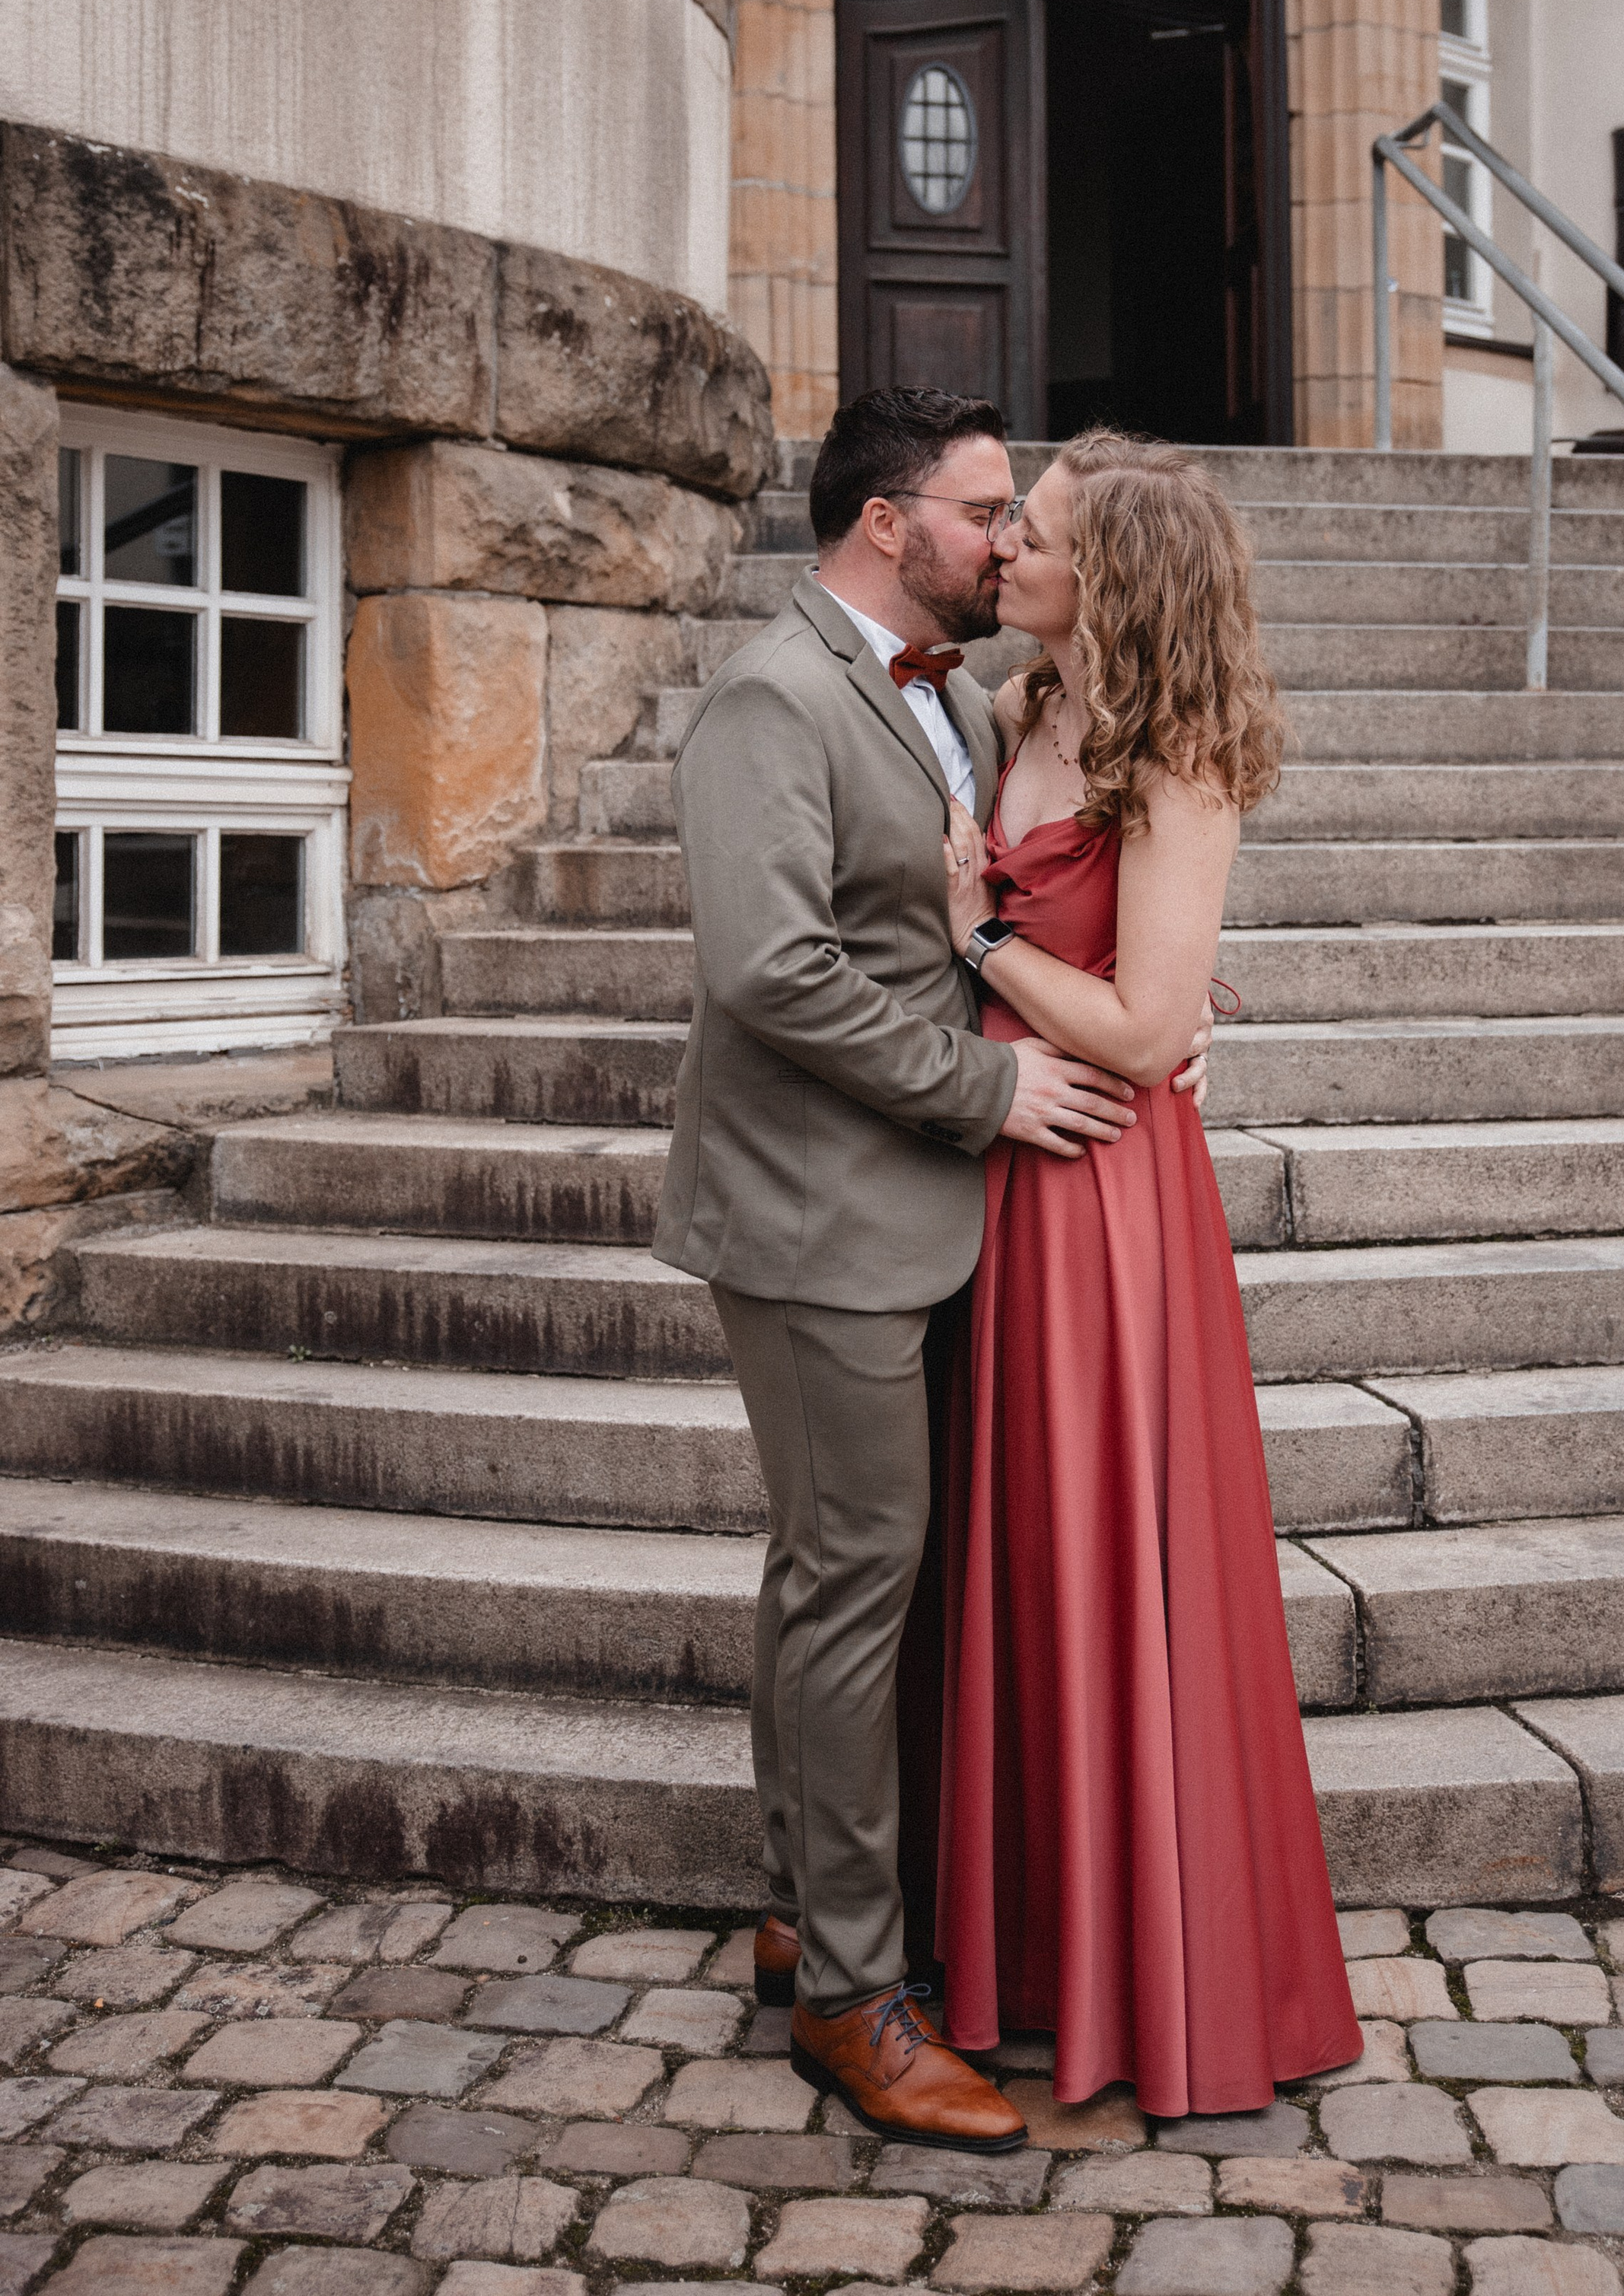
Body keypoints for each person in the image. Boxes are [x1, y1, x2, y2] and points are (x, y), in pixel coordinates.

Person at [658, 388, 1210, 2149]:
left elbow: (1048, 906)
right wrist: (988, 1086)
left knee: (841, 1574)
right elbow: (774, 972)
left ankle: (798, 1910)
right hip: (818, 1216)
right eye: (986, 511)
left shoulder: (970, 696)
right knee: (849, 1581)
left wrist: (1160, 1030)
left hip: (930, 1212)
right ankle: (850, 2001)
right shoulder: (768, 698)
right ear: (889, 526)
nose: (1009, 540)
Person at [934, 430, 1363, 2119]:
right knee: (1017, 1559)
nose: (1000, 550)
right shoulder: (1026, 713)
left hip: (1099, 1194)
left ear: (1101, 577)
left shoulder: (1175, 757)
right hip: (994, 1155)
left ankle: (1146, 1973)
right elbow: (1135, 982)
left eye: (1025, 534)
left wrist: (983, 938)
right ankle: (1026, 1945)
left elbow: (1140, 1027)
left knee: (1101, 1551)